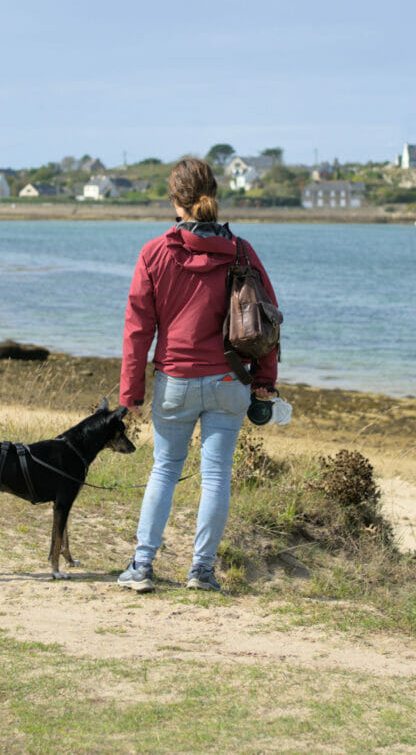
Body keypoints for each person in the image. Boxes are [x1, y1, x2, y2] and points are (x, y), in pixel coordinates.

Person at [117, 157, 278, 593]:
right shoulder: (242, 251)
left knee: (164, 471)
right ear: (214, 195)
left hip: (176, 382)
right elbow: (268, 320)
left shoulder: (154, 252)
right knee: (216, 476)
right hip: (230, 382)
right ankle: (201, 572)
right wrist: (265, 381)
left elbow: (138, 329)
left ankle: (141, 566)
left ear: (176, 200)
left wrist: (129, 394)